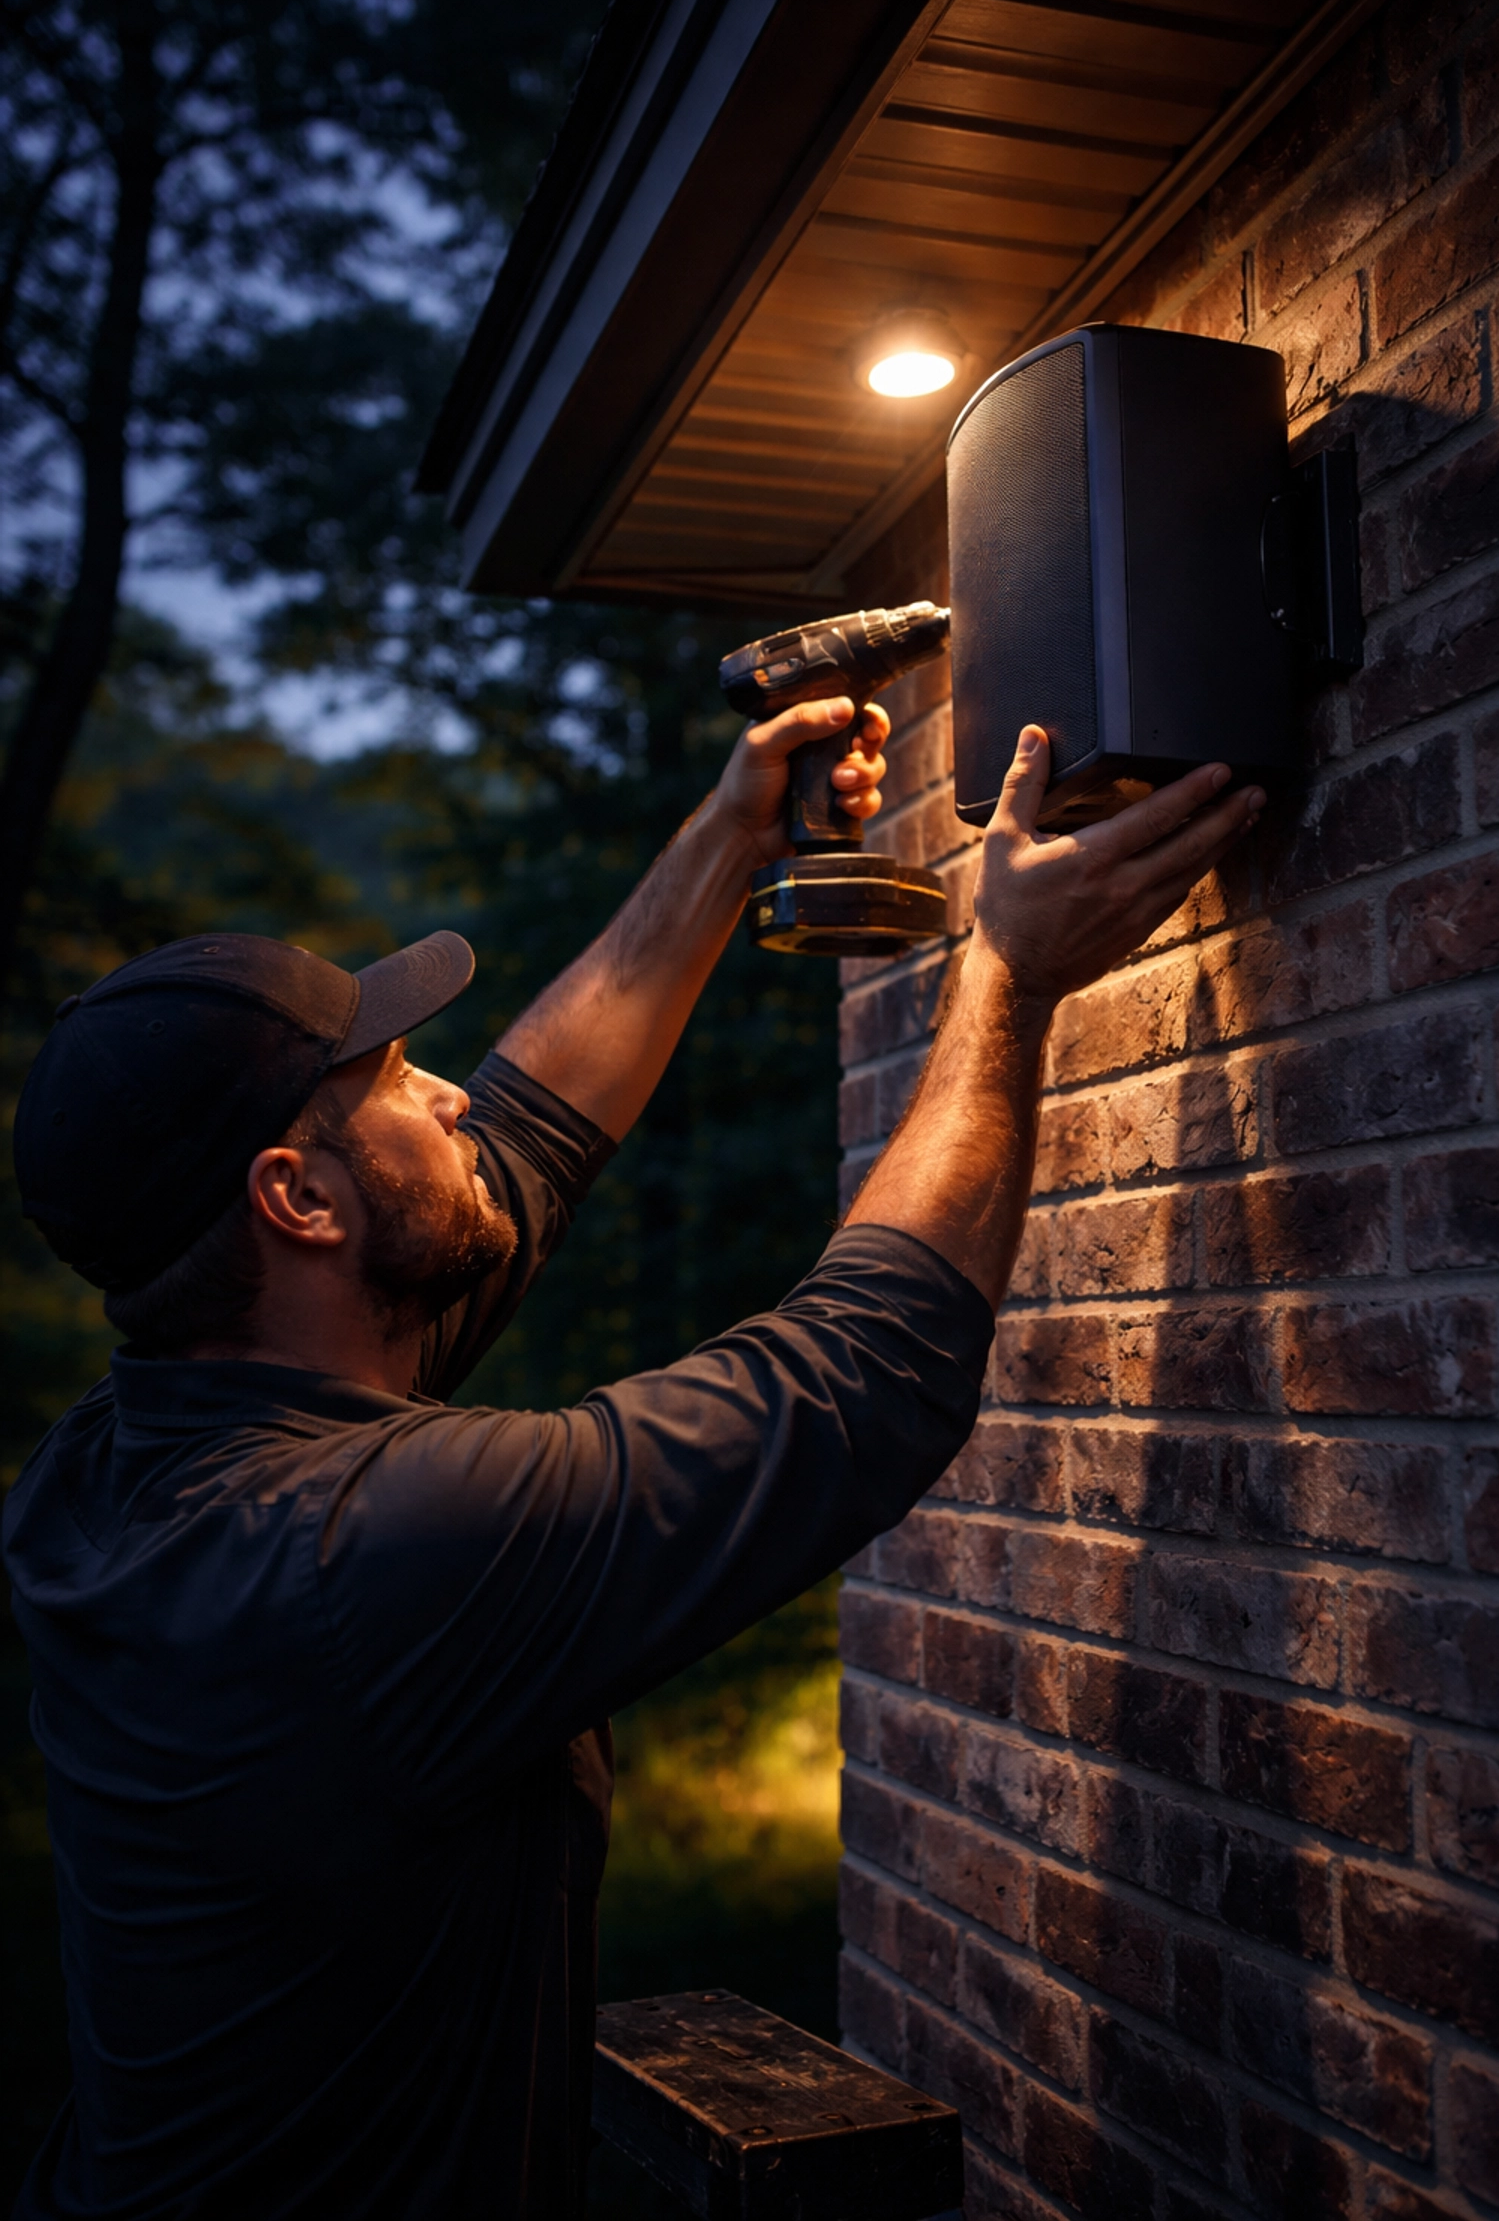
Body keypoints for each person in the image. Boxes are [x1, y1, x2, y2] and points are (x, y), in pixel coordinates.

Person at [4, 685, 1262, 2219]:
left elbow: (524, 1139)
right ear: (300, 1200)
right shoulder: (361, 1557)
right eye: (395, 1084)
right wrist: (1007, 973)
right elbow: (861, 1379)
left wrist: (732, 833)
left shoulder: (114, 1468)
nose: (449, 1088)